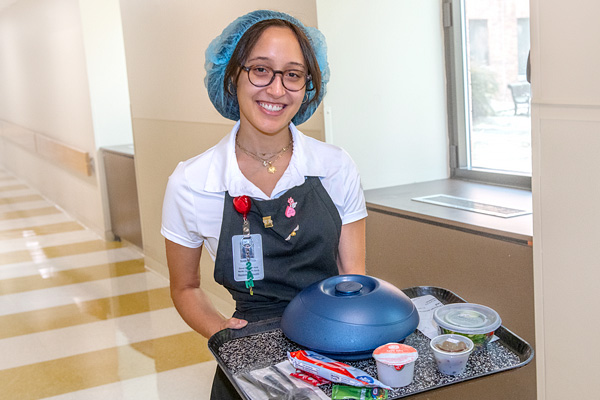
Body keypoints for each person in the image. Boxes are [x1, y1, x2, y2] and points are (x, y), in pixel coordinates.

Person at [161, 9, 368, 399]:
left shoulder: (335, 167)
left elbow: (351, 276)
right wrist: (221, 331)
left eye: (293, 74)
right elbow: (185, 287)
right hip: (248, 358)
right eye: (260, 69)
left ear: (308, 86)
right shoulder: (192, 183)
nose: (276, 90)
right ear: (233, 75)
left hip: (334, 346)